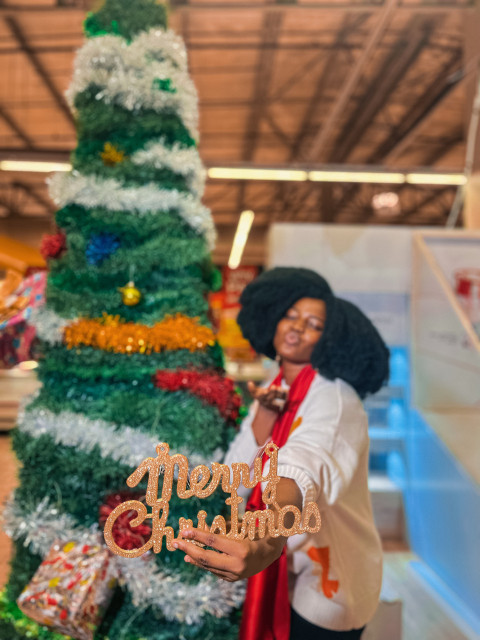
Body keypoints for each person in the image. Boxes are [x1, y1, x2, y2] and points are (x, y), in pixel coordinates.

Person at [174, 267, 390, 640]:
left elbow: (303, 462)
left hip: (330, 589)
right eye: (290, 315)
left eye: (313, 324)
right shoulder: (275, 389)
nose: (296, 327)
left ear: (329, 338)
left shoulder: (335, 398)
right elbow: (236, 477)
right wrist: (265, 416)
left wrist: (268, 534)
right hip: (284, 576)